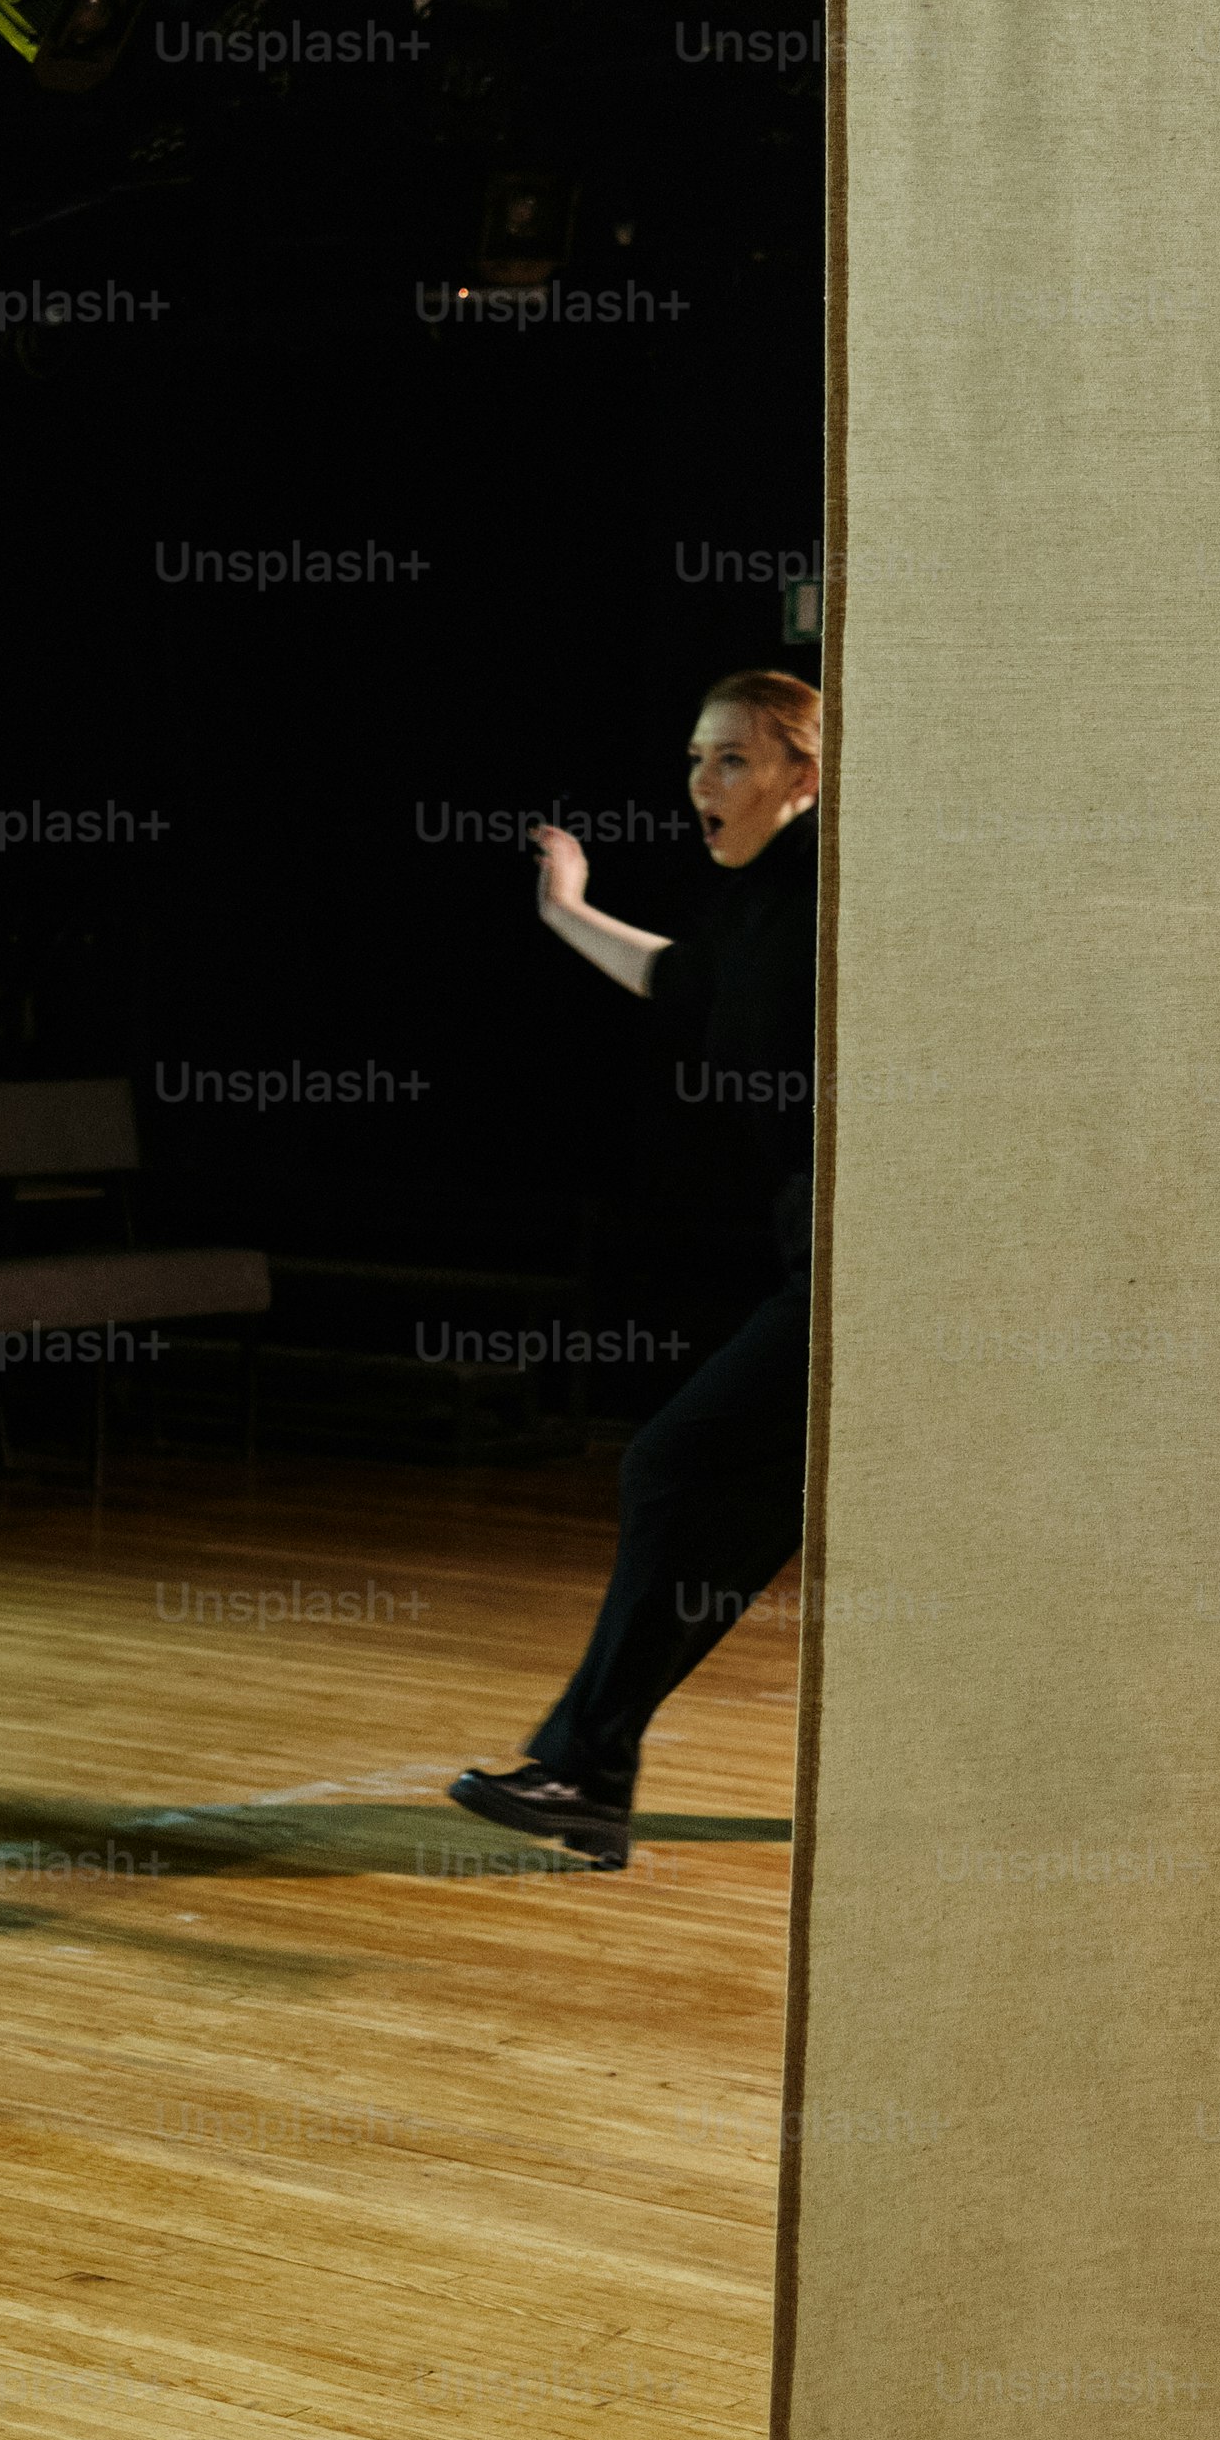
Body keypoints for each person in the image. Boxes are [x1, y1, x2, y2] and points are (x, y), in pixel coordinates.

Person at [449, 670, 822, 1870]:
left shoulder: (838, 884)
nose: (699, 786)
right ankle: (587, 1768)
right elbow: (680, 981)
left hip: (883, 1268)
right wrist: (565, 904)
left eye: (728, 761)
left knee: (677, 1464)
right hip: (828, 1253)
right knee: (758, 1502)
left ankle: (585, 1767)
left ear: (801, 774)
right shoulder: (764, 902)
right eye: (694, 760)